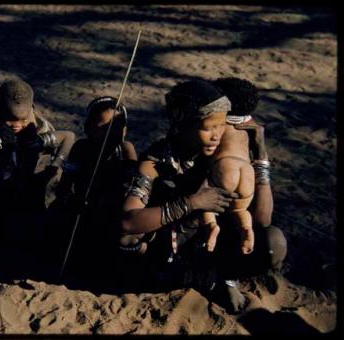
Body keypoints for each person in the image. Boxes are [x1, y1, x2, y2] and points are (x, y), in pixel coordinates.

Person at [120, 79, 238, 295]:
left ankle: (225, 279)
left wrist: (261, 158)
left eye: (222, 125)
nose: (217, 135)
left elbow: (261, 218)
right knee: (126, 240)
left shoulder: (224, 154)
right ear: (183, 125)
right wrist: (191, 203)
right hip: (168, 249)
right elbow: (129, 222)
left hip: (209, 245)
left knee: (273, 242)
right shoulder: (155, 163)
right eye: (208, 128)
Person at [0, 77, 75, 253]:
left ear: (32, 109)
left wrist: (56, 166)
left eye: (24, 118)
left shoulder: (39, 129)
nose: (18, 125)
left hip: (27, 183)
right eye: (11, 119)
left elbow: (69, 137)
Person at [210, 77, 287, 312]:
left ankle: (228, 275)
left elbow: (263, 218)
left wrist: (261, 153)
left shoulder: (250, 133)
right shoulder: (209, 130)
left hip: (235, 224)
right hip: (199, 219)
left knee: (272, 241)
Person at [53, 96, 138, 283]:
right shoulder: (81, 148)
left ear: (124, 130)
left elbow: (132, 181)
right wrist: (69, 199)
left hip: (109, 213)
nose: (109, 133)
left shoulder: (124, 149)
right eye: (102, 128)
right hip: (80, 210)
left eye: (115, 127)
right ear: (88, 128)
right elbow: (65, 185)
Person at [202, 78, 258, 254]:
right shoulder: (250, 124)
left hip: (225, 167)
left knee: (205, 203)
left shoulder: (220, 122)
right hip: (247, 173)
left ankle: (212, 226)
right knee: (240, 209)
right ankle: (246, 229)